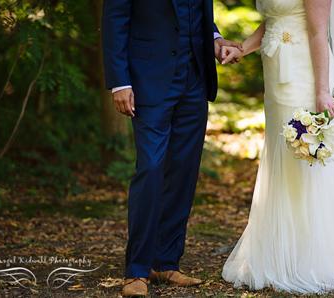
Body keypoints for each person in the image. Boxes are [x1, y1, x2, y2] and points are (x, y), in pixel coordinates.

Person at [217, 0, 334, 293]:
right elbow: (274, 19)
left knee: (303, 161)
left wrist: (321, 91)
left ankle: (310, 259)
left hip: (305, 76)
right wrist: (242, 48)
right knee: (281, 159)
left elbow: (319, 32)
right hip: (276, 74)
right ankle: (279, 254)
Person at [101, 0, 242, 296]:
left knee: (184, 171)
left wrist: (215, 39)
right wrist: (119, 82)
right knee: (151, 167)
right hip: (147, 79)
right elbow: (114, 21)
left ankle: (165, 262)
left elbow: (197, 12)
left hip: (195, 79)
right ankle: (136, 270)